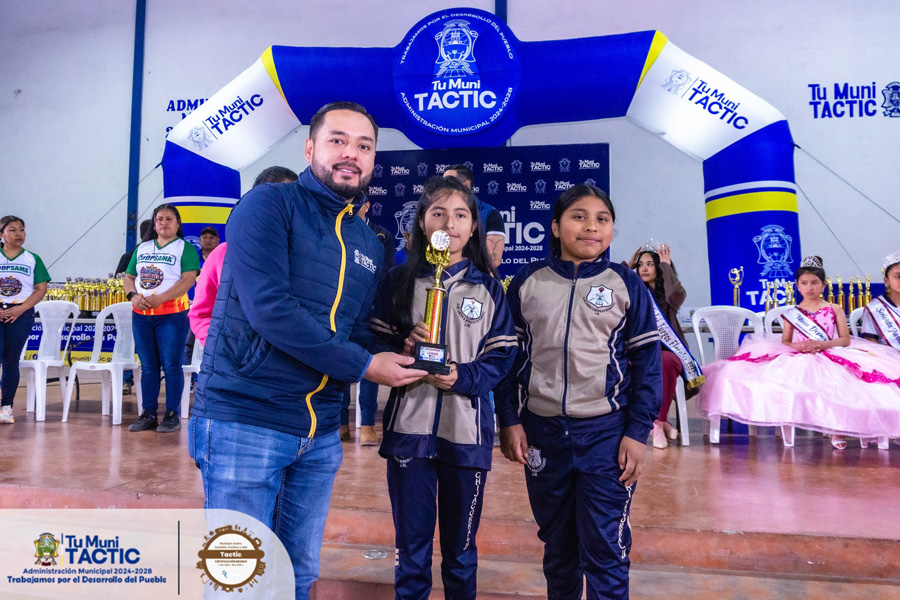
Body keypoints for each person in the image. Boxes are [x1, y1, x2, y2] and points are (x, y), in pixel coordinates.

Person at [188, 101, 426, 600]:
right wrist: (366, 365)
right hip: (245, 420)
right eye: (338, 140)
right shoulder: (268, 206)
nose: (351, 154)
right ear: (310, 147)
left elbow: (353, 328)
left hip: (318, 433)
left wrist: (398, 347)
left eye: (364, 146)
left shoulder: (368, 243)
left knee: (296, 576)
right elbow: (271, 310)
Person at [496, 185, 661, 600]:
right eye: (579, 216)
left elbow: (647, 364)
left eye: (602, 219)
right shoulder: (528, 282)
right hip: (543, 433)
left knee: (606, 549)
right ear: (555, 227)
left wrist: (637, 432)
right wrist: (509, 419)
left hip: (607, 435)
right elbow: (507, 361)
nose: (591, 226)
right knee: (558, 548)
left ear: (612, 229)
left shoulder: (626, 283)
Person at [370, 176, 516, 600]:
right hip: (408, 434)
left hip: (466, 435)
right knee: (411, 552)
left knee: (461, 553)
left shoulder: (490, 289)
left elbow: (502, 358)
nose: (449, 223)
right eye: (438, 213)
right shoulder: (397, 281)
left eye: (460, 215)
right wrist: (403, 345)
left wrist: (463, 378)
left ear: (473, 226)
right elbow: (373, 344)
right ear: (421, 222)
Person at [697, 256, 900, 450]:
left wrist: (823, 344)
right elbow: (786, 341)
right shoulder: (792, 313)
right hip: (799, 355)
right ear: (797, 285)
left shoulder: (834, 308)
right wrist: (799, 347)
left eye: (814, 283)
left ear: (823, 284)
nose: (810, 287)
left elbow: (845, 339)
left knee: (843, 386)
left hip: (830, 352)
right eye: (804, 283)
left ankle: (839, 430)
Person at [188, 166, 298, 346]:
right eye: (272, 201)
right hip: (233, 359)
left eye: (290, 202)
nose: (281, 209)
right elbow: (201, 314)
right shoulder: (223, 254)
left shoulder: (308, 254)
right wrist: (221, 345)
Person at [123, 204, 199, 433]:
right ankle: (148, 414)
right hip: (141, 315)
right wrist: (133, 296)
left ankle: (172, 415)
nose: (163, 223)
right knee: (148, 366)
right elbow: (129, 277)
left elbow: (188, 279)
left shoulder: (184, 248)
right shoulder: (142, 248)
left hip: (172, 315)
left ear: (177, 223)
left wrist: (161, 298)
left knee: (171, 365)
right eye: (159, 219)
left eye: (169, 219)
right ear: (154, 224)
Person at [628, 243, 700, 449]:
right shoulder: (634, 291)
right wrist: (628, 266)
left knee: (666, 361)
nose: (643, 268)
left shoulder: (668, 297)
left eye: (650, 264)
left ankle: (658, 423)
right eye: (640, 264)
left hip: (666, 350)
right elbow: (614, 286)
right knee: (646, 364)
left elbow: (677, 294)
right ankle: (662, 421)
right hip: (637, 350)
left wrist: (666, 266)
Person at [339, 196, 396, 445]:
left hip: (370, 312)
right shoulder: (338, 230)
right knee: (339, 366)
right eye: (347, 204)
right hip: (343, 312)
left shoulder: (381, 235)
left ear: (366, 206)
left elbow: (386, 273)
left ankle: (368, 425)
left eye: (356, 204)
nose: (351, 208)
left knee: (369, 367)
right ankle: (341, 424)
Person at [0, 216, 50, 424]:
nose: (19, 233)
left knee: (11, 361)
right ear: (1, 234)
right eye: (12, 230)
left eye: (21, 229)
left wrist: (20, 309)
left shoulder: (32, 258)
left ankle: (6, 407)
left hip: (21, 314)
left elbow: (41, 288)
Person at [443, 165, 507, 269]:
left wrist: (460, 275)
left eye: (449, 181)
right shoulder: (438, 214)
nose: (443, 186)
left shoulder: (490, 214)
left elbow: (493, 261)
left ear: (466, 184)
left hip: (474, 277)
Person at [860, 252, 900, 349]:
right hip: (889, 356)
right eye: (898, 276)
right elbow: (870, 342)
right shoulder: (875, 308)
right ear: (886, 281)